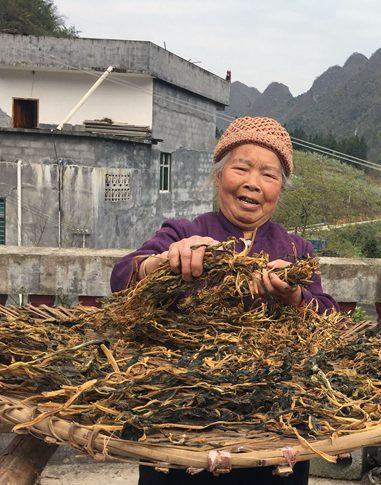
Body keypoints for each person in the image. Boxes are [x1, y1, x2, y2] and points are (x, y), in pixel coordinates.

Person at [110, 116, 338, 484]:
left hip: (273, 431)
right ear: (219, 176)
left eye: (269, 174)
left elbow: (329, 317)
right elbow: (122, 278)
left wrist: (294, 295)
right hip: (182, 426)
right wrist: (165, 261)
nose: (253, 182)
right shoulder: (185, 231)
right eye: (241, 167)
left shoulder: (297, 249)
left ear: (280, 188)